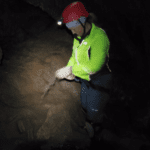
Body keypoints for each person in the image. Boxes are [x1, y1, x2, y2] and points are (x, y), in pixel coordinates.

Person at [55, 1, 112, 138]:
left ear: (82, 22)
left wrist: (72, 70)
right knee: (84, 102)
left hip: (100, 79)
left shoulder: (99, 37)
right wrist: (68, 67)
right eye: (70, 29)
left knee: (93, 108)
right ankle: (89, 120)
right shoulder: (78, 36)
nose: (72, 32)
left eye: (73, 28)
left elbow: (94, 67)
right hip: (85, 78)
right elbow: (74, 56)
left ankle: (96, 127)